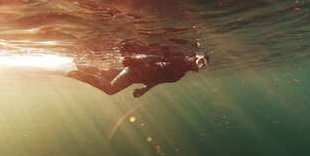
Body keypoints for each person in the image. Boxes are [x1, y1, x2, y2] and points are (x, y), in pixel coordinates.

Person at [66, 48, 209, 98]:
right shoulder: (177, 60)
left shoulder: (178, 75)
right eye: (199, 61)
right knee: (110, 89)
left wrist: (144, 90)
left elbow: (157, 80)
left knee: (105, 74)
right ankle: (73, 73)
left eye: (202, 65)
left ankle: (80, 66)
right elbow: (156, 57)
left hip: (136, 76)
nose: (198, 65)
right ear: (195, 56)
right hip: (134, 72)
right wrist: (136, 60)